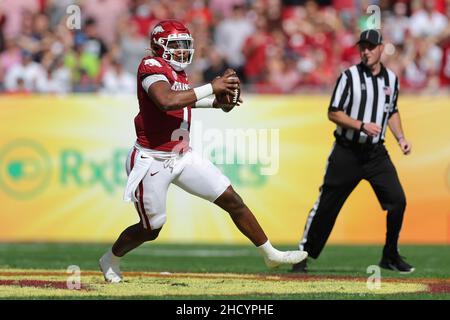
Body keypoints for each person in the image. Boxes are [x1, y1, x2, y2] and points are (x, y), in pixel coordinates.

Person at [99, 20, 308, 283]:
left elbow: (182, 104)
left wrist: (216, 103)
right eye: (175, 45)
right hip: (152, 160)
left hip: (182, 155)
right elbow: (166, 101)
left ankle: (270, 253)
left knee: (232, 199)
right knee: (151, 227)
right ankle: (111, 258)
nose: (182, 51)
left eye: (185, 45)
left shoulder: (178, 73)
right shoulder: (150, 66)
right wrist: (213, 87)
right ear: (158, 46)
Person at [292, 29, 414, 274]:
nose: (366, 51)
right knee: (326, 205)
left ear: (381, 48)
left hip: (376, 153)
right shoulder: (349, 76)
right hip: (347, 151)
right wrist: (360, 125)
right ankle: (303, 255)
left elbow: (392, 111)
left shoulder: (391, 79)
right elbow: (333, 112)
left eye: (371, 47)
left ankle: (390, 255)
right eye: (363, 47)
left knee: (398, 201)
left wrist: (400, 138)